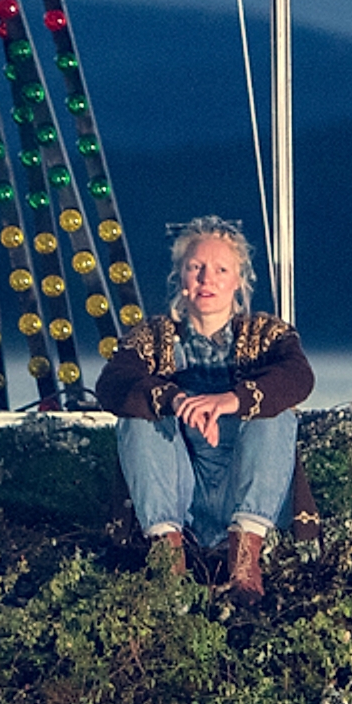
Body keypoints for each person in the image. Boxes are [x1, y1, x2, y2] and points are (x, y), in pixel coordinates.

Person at [97, 216, 311, 596]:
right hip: (177, 494)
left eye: (220, 269)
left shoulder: (268, 335)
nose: (206, 279)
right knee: (140, 417)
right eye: (195, 268)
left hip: (247, 492)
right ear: (180, 277)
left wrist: (233, 400)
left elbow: (298, 377)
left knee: (274, 415)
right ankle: (169, 565)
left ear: (238, 280)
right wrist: (174, 398)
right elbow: (112, 385)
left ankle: (246, 567)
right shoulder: (151, 337)